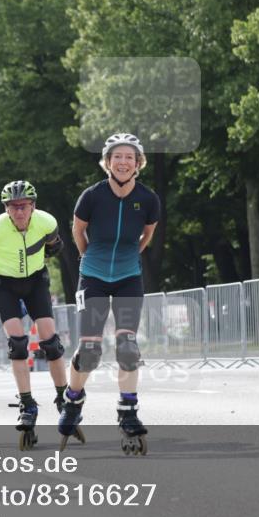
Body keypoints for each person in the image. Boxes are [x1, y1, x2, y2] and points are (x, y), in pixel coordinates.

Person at [58, 133, 160, 455]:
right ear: (107, 162)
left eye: (130, 156)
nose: (123, 161)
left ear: (138, 163)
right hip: (93, 278)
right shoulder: (91, 196)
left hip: (129, 277)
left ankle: (128, 411)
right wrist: (90, 259)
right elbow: (77, 230)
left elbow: (146, 236)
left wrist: (129, 257)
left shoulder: (149, 198)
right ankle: (72, 402)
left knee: (128, 348)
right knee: (89, 351)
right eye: (117, 156)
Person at [0, 180, 67, 450]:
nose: (19, 212)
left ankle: (63, 399)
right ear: (6, 209)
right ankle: (27, 403)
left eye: (23, 206)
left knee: (51, 343)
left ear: (33, 206)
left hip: (35, 281)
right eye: (13, 207)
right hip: (5, 285)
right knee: (18, 344)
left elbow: (54, 246)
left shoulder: (46, 222)